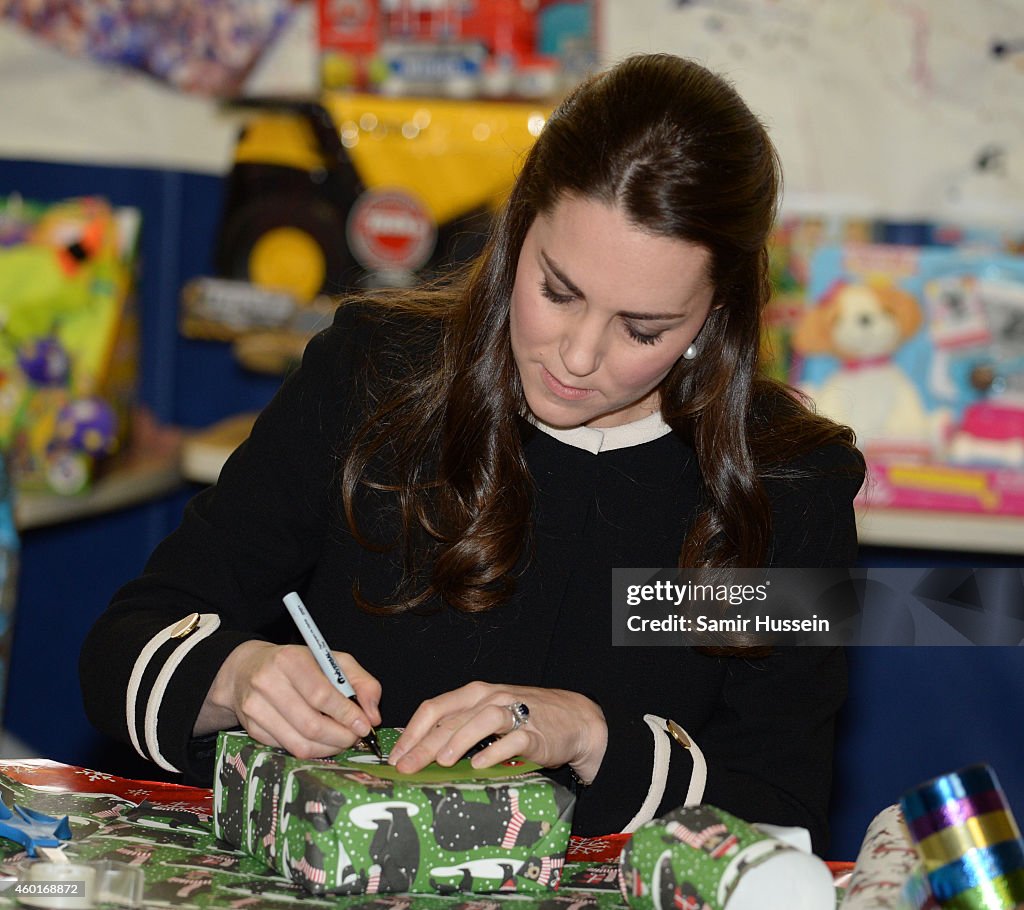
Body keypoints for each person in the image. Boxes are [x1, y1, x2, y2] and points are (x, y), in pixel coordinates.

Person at [80, 53, 864, 852]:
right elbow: (122, 648)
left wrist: (595, 739)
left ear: (720, 310)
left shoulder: (788, 485)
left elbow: (780, 814)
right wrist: (237, 677)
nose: (578, 356)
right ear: (518, 227)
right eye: (556, 290)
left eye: (643, 329)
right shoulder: (373, 374)